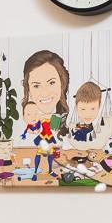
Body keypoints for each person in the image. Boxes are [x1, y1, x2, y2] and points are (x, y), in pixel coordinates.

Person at [18, 49, 69, 182]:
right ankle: (36, 171)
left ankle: (50, 170)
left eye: (51, 82)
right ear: (28, 89)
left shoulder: (63, 118)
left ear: (62, 83)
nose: (45, 93)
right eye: (36, 86)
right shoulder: (29, 117)